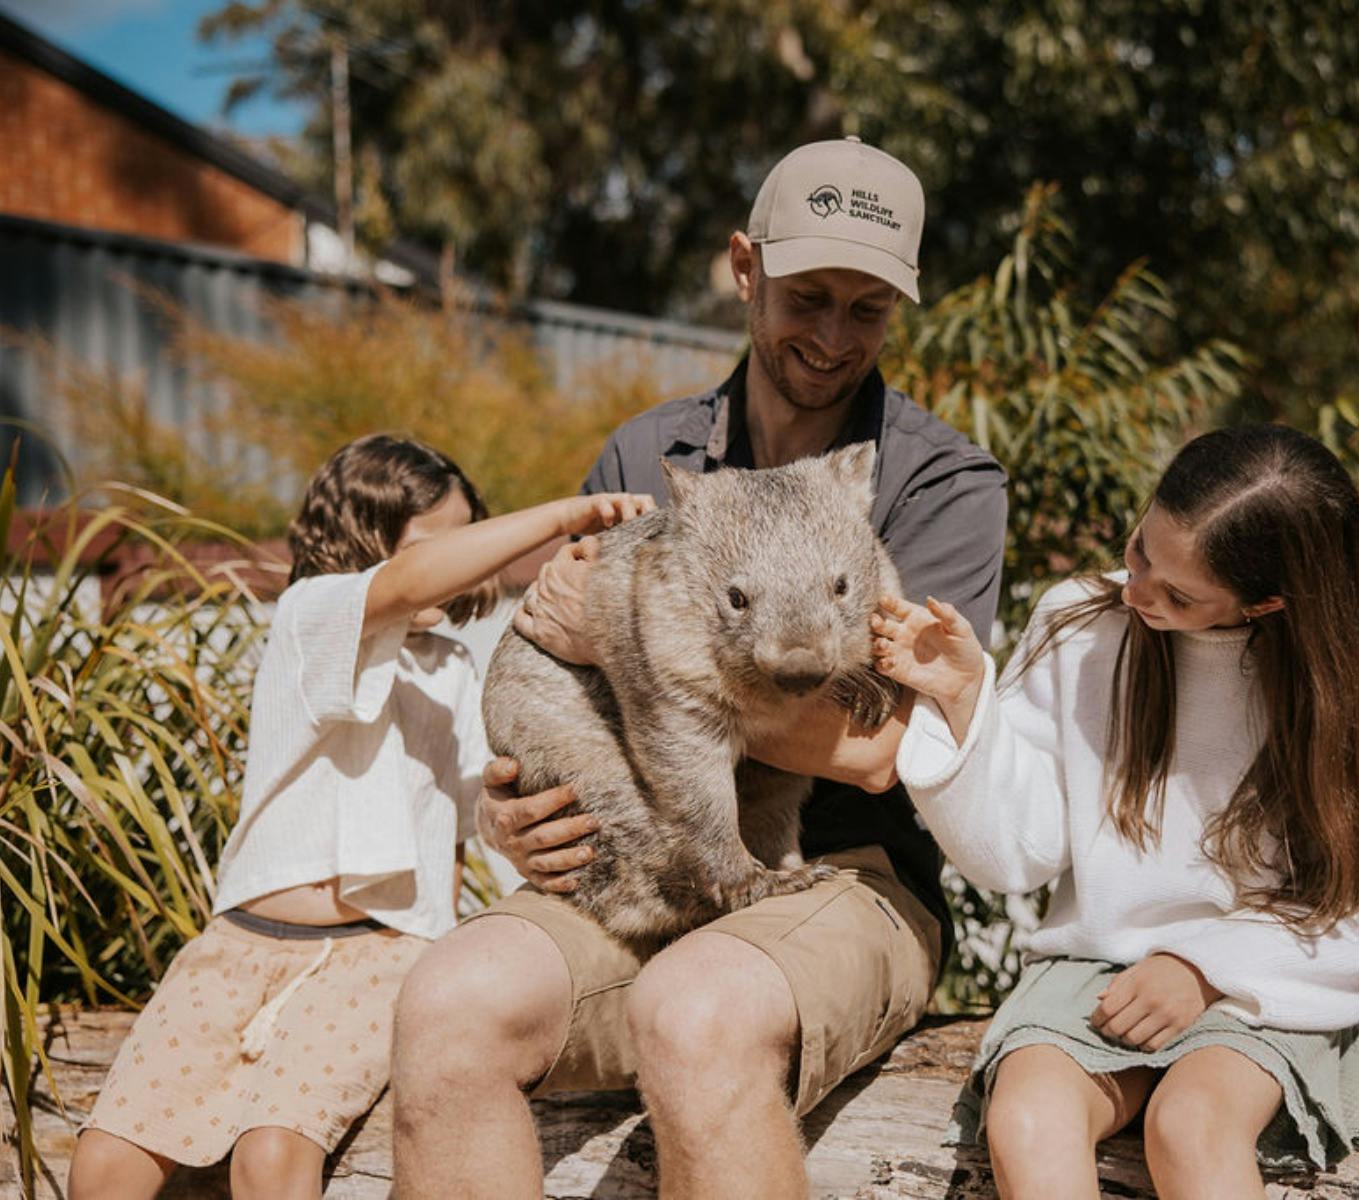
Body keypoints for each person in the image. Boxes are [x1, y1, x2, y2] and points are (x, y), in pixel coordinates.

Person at [390, 138, 1008, 1199]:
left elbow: (882, 747)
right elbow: (557, 671)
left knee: (695, 1012)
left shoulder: (934, 480)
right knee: (448, 1001)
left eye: (866, 310)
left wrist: (634, 660)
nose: (829, 336)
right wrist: (519, 810)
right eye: (807, 295)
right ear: (744, 268)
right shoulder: (648, 458)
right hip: (644, 860)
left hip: (850, 872)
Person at [68, 434, 652, 1200]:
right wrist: (562, 516)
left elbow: (467, 807)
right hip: (240, 944)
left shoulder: (451, 667)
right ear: (365, 542)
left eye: (471, 537)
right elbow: (406, 582)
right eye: (445, 542)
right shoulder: (313, 616)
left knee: (272, 1157)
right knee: (105, 1163)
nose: (467, 560)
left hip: (381, 952)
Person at [871, 425, 1359, 1199]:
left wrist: (1208, 968)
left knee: (1193, 1128)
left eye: (1179, 594)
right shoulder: (1079, 623)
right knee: (1027, 1117)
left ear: (1266, 602)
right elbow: (1014, 855)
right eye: (1140, 552)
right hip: (1092, 971)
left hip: (1263, 977)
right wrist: (965, 703)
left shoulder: (1343, 680)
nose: (1137, 591)